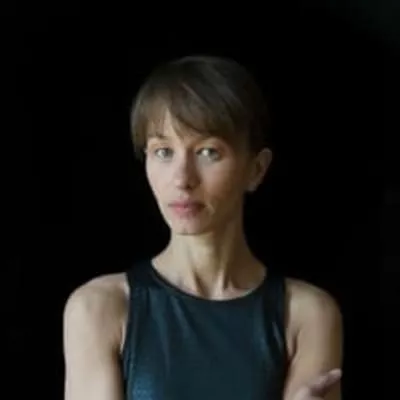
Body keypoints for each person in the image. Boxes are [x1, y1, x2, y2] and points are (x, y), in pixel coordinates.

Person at [63, 55, 343, 400]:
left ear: (256, 169)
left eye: (208, 152)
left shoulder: (307, 315)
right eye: (163, 151)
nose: (182, 179)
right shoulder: (98, 309)